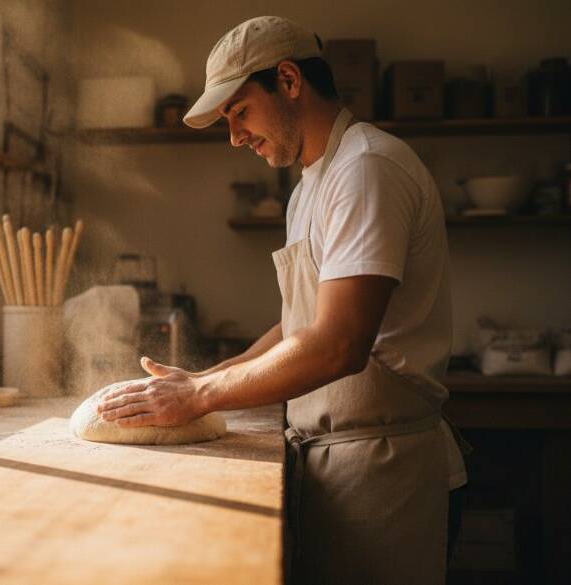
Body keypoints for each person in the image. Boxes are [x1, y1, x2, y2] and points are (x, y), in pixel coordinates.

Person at [97, 15, 469, 585]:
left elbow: (339, 345)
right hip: (327, 459)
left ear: (290, 81)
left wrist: (199, 395)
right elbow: (303, 327)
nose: (235, 137)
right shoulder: (310, 187)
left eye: (240, 112)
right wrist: (205, 379)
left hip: (381, 468)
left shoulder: (366, 169)